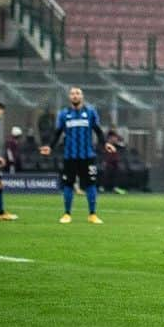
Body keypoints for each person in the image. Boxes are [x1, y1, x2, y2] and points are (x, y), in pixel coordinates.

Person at [39, 86, 116, 224]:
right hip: (70, 156)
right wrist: (50, 147)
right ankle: (67, 214)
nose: (75, 96)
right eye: (73, 93)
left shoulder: (90, 112)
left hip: (87, 156)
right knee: (68, 184)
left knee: (91, 184)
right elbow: (57, 133)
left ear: (82, 96)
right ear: (69, 97)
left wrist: (105, 143)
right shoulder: (63, 114)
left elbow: (98, 130)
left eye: (78, 93)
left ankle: (92, 214)